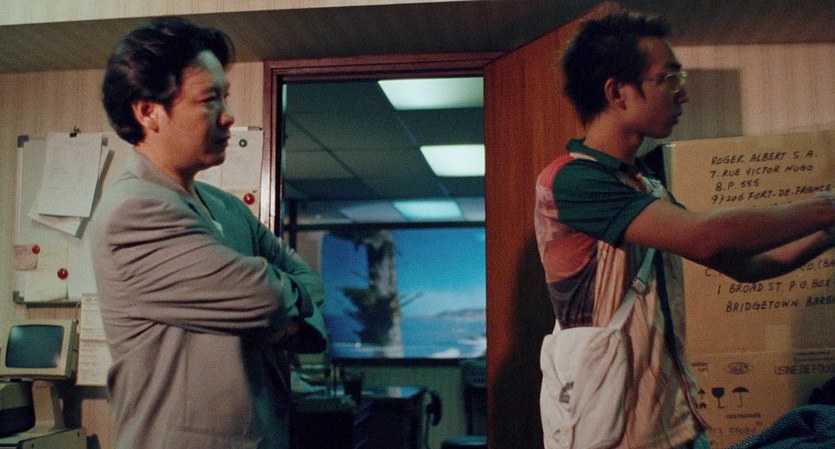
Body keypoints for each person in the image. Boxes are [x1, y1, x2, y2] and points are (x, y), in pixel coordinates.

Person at [534, 10, 835, 449]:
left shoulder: (644, 185)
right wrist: (825, 209)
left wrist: (828, 234)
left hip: (677, 428)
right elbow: (706, 236)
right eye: (670, 79)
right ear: (617, 93)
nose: (683, 94)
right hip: (621, 437)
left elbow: (745, 265)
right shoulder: (572, 180)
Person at [90, 17, 326, 449]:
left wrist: (278, 313)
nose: (228, 116)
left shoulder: (225, 206)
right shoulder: (133, 211)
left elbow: (304, 278)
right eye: (209, 99)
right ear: (148, 112)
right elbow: (265, 297)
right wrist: (276, 308)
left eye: (225, 97)